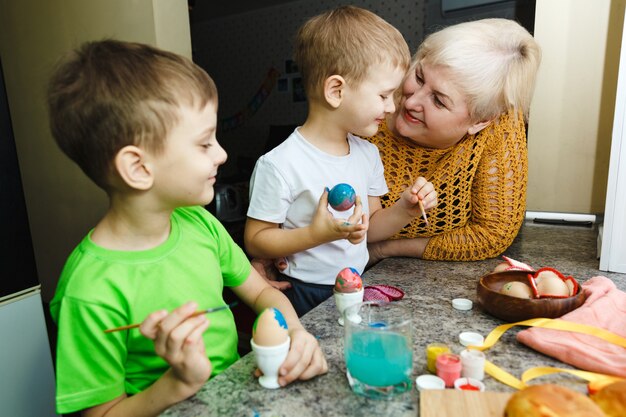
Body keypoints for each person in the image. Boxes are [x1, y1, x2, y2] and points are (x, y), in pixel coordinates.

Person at [47, 40, 326, 417]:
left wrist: (294, 332)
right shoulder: (89, 291)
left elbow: (263, 294)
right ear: (138, 168)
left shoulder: (200, 224)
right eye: (204, 143)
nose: (222, 154)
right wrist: (176, 384)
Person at [244, 6, 437, 317]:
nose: (391, 107)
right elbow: (255, 241)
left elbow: (370, 228)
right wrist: (316, 235)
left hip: (357, 285)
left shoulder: (368, 154)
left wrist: (405, 210)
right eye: (384, 95)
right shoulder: (280, 164)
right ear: (336, 91)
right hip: (301, 293)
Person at [365, 18, 541, 263]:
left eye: (438, 101)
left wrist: (385, 249)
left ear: (481, 120)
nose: (411, 102)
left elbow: (492, 234)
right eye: (418, 77)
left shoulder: (499, 127)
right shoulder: (369, 98)